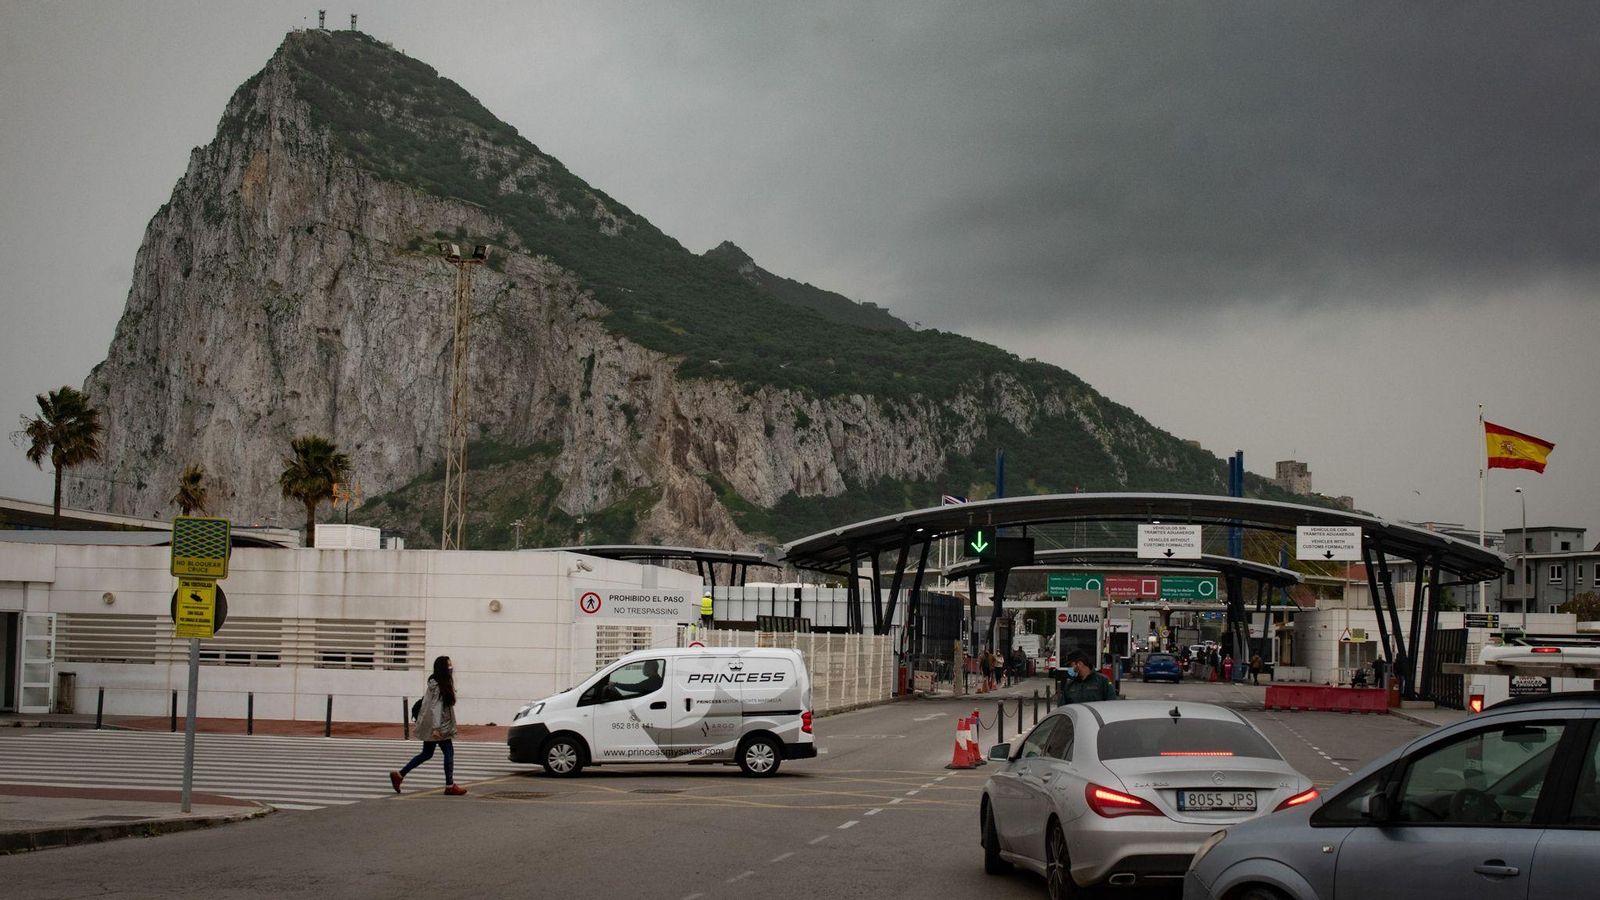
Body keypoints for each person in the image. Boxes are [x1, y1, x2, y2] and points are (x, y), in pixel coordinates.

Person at [391, 656, 466, 796]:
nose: (451, 667)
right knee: (448, 752)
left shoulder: (438, 683)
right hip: (439, 726)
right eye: (449, 665)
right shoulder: (438, 685)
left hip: (435, 725)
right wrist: (436, 728)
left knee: (427, 754)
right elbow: (436, 707)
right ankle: (450, 785)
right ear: (443, 668)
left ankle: (399, 775)